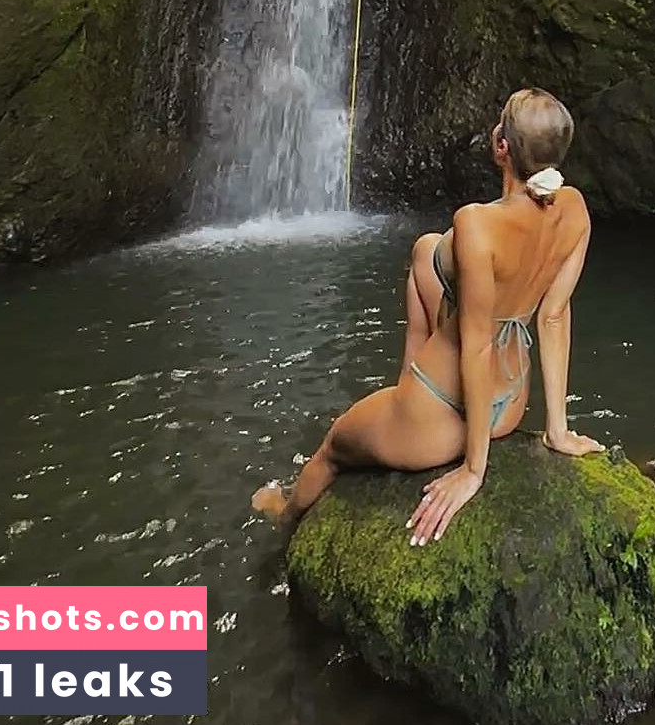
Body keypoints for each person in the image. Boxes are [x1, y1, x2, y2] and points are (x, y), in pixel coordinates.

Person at [251, 87, 603, 542]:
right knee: (425, 251)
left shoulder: (476, 223)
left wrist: (473, 470)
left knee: (335, 445)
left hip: (440, 413)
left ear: (502, 146)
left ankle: (285, 514)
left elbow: (476, 346)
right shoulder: (573, 208)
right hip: (510, 402)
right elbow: (553, 317)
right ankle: (406, 385)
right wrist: (558, 430)